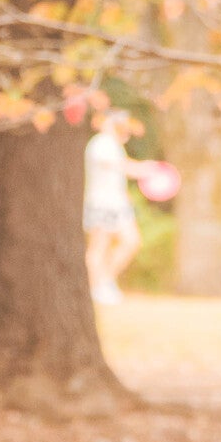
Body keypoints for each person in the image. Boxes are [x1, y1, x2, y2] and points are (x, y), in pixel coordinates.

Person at [82, 108, 138, 305]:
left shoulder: (114, 145)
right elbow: (120, 167)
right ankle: (96, 287)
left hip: (117, 204)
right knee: (99, 246)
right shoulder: (101, 144)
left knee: (131, 241)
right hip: (100, 204)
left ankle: (105, 280)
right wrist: (148, 170)